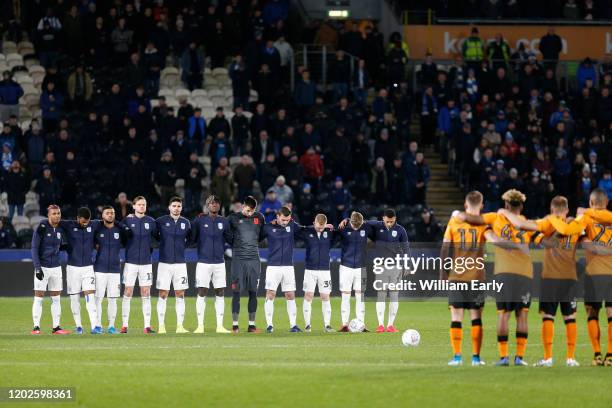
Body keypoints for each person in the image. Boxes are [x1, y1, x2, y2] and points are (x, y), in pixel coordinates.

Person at [499, 196, 581, 367]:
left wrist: (505, 212)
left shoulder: (546, 222)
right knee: (570, 317)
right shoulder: (576, 225)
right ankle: (571, 358)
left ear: (552, 209)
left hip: (550, 277)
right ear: (566, 210)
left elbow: (522, 225)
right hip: (570, 277)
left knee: (548, 317)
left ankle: (547, 358)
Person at [458, 190, 537, 366]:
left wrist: (461, 215)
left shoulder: (496, 218)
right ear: (521, 206)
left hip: (503, 273)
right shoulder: (526, 223)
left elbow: (475, 220)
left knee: (503, 315)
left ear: (506, 205)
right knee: (522, 316)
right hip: (525, 273)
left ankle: (503, 357)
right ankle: (520, 358)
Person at [545, 189, 612, 366]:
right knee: (611, 313)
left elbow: (569, 230)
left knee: (592, 313)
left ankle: (597, 355)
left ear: (591, 202)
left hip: (594, 273)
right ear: (607, 203)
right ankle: (610, 355)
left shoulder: (586, 217)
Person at [441, 192, 491, 366]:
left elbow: (445, 247)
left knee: (456, 317)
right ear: (482, 205)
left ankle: (457, 357)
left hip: (456, 276)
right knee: (476, 317)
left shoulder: (454, 221)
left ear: (465, 204)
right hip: (477, 276)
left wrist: (443, 273)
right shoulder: (484, 223)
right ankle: (476, 358)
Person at [191, 196, 231, 334]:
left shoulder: (224, 221)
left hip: (219, 262)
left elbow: (230, 238)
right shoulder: (199, 220)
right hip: (204, 262)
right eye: (211, 203)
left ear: (219, 206)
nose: (214, 205)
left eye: (216, 203)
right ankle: (200, 326)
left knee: (220, 292)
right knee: (202, 291)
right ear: (207, 205)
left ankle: (220, 326)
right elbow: (192, 238)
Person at [225, 196, 266, 333]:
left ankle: (251, 325)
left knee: (253, 292)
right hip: (238, 260)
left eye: (252, 211)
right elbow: (226, 234)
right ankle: (235, 325)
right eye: (248, 210)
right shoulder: (232, 218)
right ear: (243, 206)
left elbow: (260, 235)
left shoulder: (259, 217)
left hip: (254, 259)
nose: (250, 213)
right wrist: (236, 244)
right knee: (236, 291)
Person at [366, 209, 409, 333]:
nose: (390, 224)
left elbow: (406, 249)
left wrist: (407, 265)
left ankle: (390, 325)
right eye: (387, 221)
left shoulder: (401, 230)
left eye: (392, 221)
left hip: (396, 266)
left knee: (394, 295)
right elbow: (363, 222)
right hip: (381, 266)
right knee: (381, 294)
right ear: (383, 218)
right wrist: (348, 220)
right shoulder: (377, 226)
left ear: (395, 219)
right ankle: (380, 324)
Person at [60, 207, 102, 335]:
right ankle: (78, 326)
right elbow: (53, 221)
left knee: (90, 296)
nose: (85, 224)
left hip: (88, 268)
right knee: (74, 298)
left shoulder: (93, 224)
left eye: (87, 221)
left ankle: (95, 326)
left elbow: (107, 220)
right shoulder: (68, 225)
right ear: (77, 218)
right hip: (73, 268)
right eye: (83, 221)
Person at [30, 205, 70, 335]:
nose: (57, 216)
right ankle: (36, 327)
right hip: (43, 267)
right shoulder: (42, 227)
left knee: (56, 297)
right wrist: (37, 268)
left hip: (56, 267)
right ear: (48, 215)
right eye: (54, 213)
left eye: (58, 213)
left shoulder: (60, 228)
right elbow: (34, 248)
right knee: (39, 297)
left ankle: (56, 327)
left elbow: (61, 245)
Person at [154, 197, 192, 334]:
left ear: (181, 208)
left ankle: (180, 326)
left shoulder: (186, 223)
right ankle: (161, 326)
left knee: (180, 294)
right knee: (163, 293)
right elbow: (154, 236)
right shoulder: (160, 221)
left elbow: (190, 240)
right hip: (164, 263)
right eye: (174, 206)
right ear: (169, 207)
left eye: (179, 206)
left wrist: (180, 247)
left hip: (180, 263)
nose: (176, 208)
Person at [262, 206, 302, 333]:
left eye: (288, 220)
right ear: (277, 217)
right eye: (283, 220)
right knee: (271, 294)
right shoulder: (268, 227)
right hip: (273, 266)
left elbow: (307, 230)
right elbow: (255, 236)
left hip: (288, 267)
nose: (286, 222)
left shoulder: (293, 225)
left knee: (290, 295)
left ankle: (293, 325)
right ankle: (269, 325)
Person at [121, 196, 157, 334]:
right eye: (139, 204)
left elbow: (157, 237)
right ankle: (124, 325)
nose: (142, 207)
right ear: (134, 206)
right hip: (130, 263)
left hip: (146, 263)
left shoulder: (151, 222)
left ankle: (147, 326)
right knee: (128, 292)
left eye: (144, 204)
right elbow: (120, 231)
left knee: (146, 292)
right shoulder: (127, 220)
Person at [94, 206, 130, 335]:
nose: (110, 215)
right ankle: (97, 325)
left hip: (115, 269)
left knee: (113, 298)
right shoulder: (97, 229)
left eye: (112, 213)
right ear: (102, 215)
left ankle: (111, 326)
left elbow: (127, 239)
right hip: (100, 269)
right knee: (98, 298)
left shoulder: (119, 230)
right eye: (107, 213)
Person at [297, 214, 335, 332]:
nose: (320, 228)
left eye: (322, 226)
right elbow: (296, 229)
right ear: (314, 223)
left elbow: (342, 231)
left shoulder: (329, 232)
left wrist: (344, 221)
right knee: (308, 296)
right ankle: (307, 325)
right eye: (318, 226)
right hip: (310, 270)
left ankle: (327, 325)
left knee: (325, 296)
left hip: (325, 270)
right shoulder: (307, 231)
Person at [336, 211, 371, 331]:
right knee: (345, 295)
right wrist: (344, 219)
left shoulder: (366, 227)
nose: (356, 227)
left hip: (361, 267)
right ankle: (344, 324)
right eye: (355, 225)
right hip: (346, 266)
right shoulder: (343, 228)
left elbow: (378, 224)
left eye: (359, 225)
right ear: (350, 221)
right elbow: (333, 233)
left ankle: (361, 323)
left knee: (360, 296)